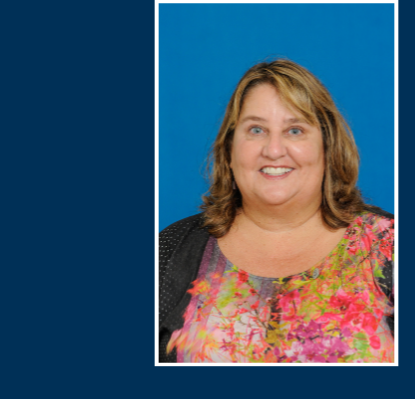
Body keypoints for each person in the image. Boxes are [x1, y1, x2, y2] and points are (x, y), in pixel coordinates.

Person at [159, 59, 394, 363]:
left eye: (295, 130)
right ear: (229, 149)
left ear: (327, 147)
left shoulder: (387, 246)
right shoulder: (170, 248)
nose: (273, 150)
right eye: (256, 129)